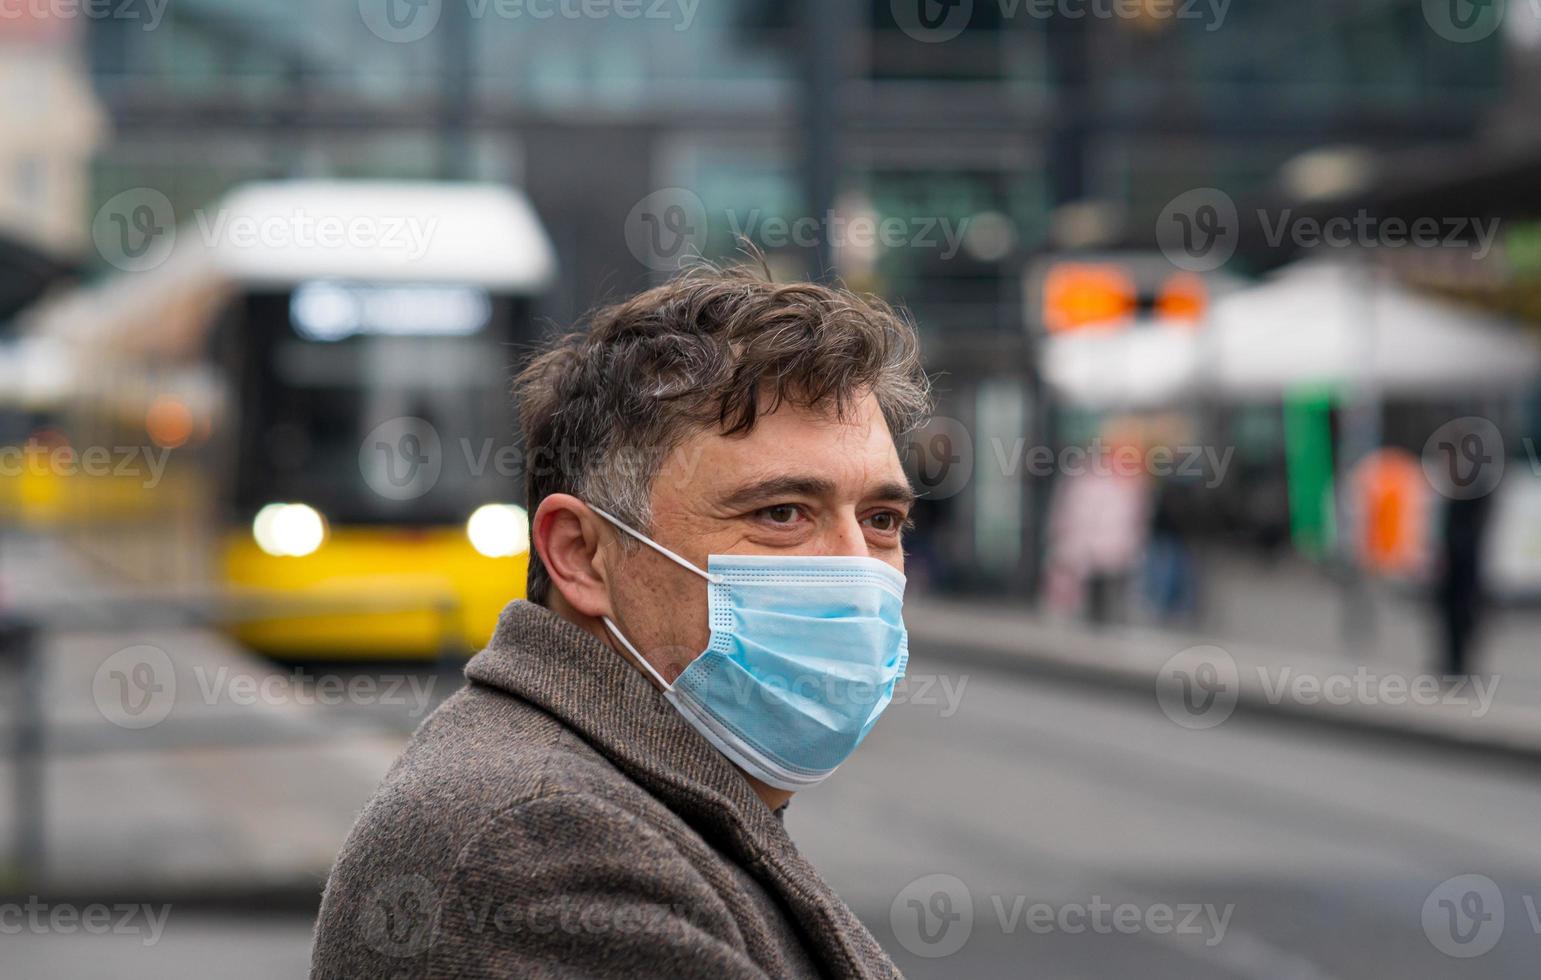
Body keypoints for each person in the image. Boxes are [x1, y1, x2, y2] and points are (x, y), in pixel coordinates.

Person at [310, 263, 930, 978]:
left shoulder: (627, 789)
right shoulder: (541, 842)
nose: (855, 569)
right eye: (780, 514)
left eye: (882, 520)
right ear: (580, 555)